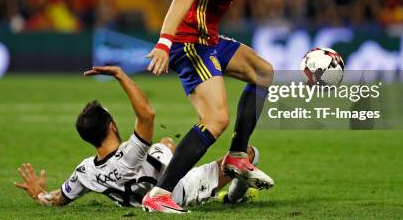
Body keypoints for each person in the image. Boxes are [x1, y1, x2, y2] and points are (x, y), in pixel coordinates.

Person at [143, 0, 287, 213]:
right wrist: (165, 43)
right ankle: (158, 195)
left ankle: (237, 156)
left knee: (262, 72)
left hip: (207, 37)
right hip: (189, 40)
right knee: (216, 119)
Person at [14, 66, 259, 209]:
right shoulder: (129, 154)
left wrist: (38, 194)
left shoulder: (85, 171)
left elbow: (58, 198)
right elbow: (147, 115)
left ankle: (171, 156)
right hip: (180, 191)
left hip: (144, 186)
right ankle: (233, 198)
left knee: (164, 144)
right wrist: (121, 75)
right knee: (247, 154)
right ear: (111, 126)